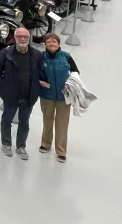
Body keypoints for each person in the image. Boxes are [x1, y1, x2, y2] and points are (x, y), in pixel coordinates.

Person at [0, 27, 47, 160]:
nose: (23, 39)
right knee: (7, 119)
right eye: (20, 37)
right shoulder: (6, 53)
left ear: (29, 38)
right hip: (11, 95)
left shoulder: (36, 54)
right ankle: (6, 143)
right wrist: (4, 87)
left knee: (24, 122)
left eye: (25, 37)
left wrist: (38, 86)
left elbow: (40, 73)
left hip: (28, 96)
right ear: (15, 38)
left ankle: (21, 146)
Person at [38, 32, 79, 163]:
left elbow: (75, 72)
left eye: (54, 41)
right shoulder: (41, 57)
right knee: (47, 120)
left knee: (62, 124)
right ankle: (45, 143)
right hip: (46, 96)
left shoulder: (66, 57)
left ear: (58, 43)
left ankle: (61, 151)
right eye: (48, 41)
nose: (51, 43)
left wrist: (71, 83)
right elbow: (35, 73)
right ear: (45, 44)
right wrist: (40, 82)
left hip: (64, 97)